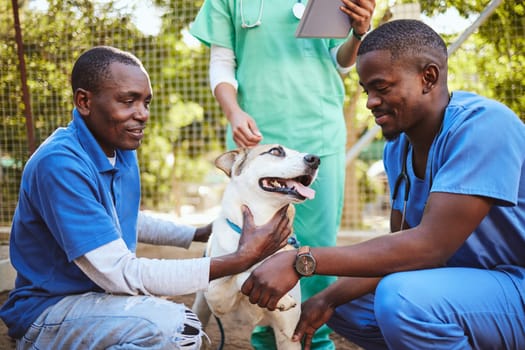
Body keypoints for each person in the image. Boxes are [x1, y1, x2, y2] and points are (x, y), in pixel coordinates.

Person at [239, 19, 525, 349]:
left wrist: (300, 259)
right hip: (470, 290)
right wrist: (327, 298)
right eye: (367, 91)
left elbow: (431, 246)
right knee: (333, 299)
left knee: (402, 299)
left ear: (428, 78)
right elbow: (400, 248)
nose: (371, 102)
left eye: (382, 88)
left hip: (515, 284)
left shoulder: (484, 125)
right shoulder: (398, 148)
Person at [0, 46, 292, 349]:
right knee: (182, 329)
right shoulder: (60, 165)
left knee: (174, 327)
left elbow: (118, 220)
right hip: (49, 312)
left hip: (98, 301)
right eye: (128, 101)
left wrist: (198, 233)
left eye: (146, 102)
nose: (142, 114)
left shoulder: (119, 147)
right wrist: (240, 259)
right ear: (84, 101)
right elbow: (121, 274)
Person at [189, 0, 376, 348]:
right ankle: (266, 340)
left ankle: (313, 341)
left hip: (318, 131)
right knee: (256, 245)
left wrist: (359, 32)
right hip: (258, 137)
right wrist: (233, 112)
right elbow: (222, 62)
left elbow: (341, 61)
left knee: (316, 246)